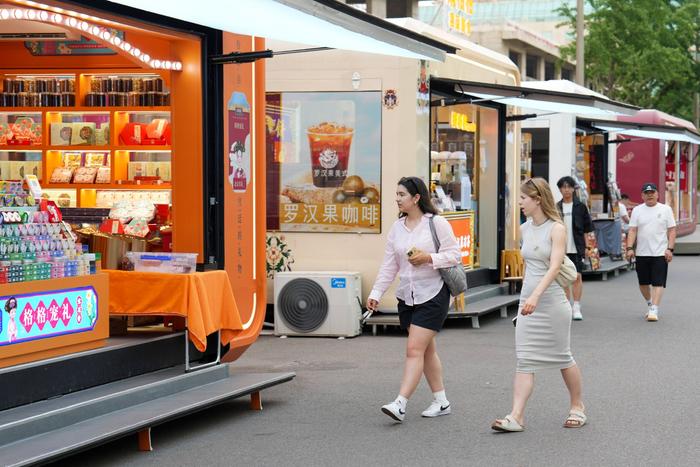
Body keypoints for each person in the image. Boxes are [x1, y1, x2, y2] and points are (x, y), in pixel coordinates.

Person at [491, 177, 586, 433]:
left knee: (563, 357)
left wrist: (536, 296)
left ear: (537, 200)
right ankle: (516, 416)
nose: (520, 202)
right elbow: (530, 267)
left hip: (552, 303)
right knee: (524, 360)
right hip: (527, 304)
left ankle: (577, 407)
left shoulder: (557, 229)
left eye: (523, 198)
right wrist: (526, 296)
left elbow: (555, 266)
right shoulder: (524, 229)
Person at [367, 176, 461, 423]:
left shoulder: (437, 223)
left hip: (433, 293)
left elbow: (454, 255)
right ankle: (441, 401)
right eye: (396, 194)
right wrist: (376, 293)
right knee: (426, 350)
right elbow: (389, 265)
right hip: (407, 296)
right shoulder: (397, 228)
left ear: (416, 198)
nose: (397, 199)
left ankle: (400, 403)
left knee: (413, 349)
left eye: (401, 195)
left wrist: (428, 258)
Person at [625, 183, 676, 322]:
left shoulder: (665, 209)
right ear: (642, 196)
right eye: (646, 193)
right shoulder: (637, 210)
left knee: (658, 282)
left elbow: (671, 230)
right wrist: (629, 248)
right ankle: (650, 303)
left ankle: (654, 308)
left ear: (657, 194)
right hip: (642, 252)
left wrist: (670, 249)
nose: (650, 195)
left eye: (652, 192)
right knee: (643, 283)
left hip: (660, 252)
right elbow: (633, 230)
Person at [556, 176, 594, 320]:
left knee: (577, 277)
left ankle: (576, 305)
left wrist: (588, 247)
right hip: (561, 249)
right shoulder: (556, 207)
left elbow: (587, 229)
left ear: (573, 189)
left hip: (577, 247)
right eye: (563, 187)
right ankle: (566, 306)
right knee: (564, 278)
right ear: (560, 189)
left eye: (569, 187)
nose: (566, 190)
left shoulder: (580, 206)